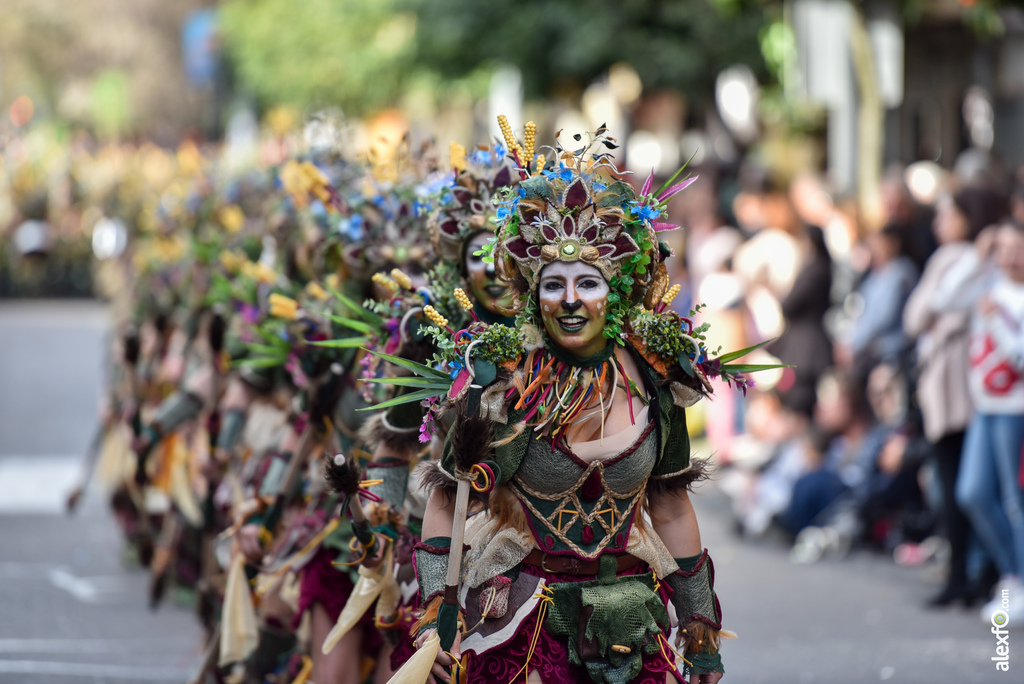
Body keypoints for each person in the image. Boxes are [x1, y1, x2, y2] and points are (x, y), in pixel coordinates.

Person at [386, 124, 767, 684]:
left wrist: (699, 625)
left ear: (615, 289)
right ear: (532, 292)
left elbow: (670, 507)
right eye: (553, 284)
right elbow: (448, 504)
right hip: (523, 622)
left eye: (587, 282)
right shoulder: (496, 380)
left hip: (631, 626)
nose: (569, 300)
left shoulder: (661, 378)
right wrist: (435, 621)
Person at [903, 187, 1007, 607]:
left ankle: (975, 574)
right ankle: (978, 575)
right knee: (968, 485)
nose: (937, 223)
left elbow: (918, 316)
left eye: (946, 214)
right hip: (969, 382)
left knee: (963, 486)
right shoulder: (976, 257)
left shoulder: (960, 258)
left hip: (961, 384)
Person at [931, 217, 1024, 624]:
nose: (1008, 255)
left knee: (1013, 498)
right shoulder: (987, 287)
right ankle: (1012, 573)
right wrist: (975, 256)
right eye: (1001, 247)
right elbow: (943, 300)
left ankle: (1017, 579)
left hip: (1014, 409)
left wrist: (996, 322)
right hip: (984, 407)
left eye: (1015, 247)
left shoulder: (1009, 300)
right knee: (971, 493)